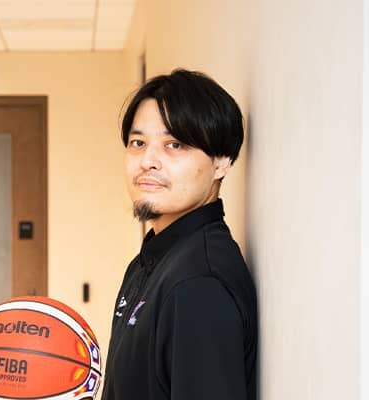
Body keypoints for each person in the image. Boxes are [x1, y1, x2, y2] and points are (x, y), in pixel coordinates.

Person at [101, 69, 258, 400]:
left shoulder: (198, 284)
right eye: (138, 143)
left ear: (221, 162)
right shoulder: (151, 262)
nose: (148, 161)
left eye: (174, 145)